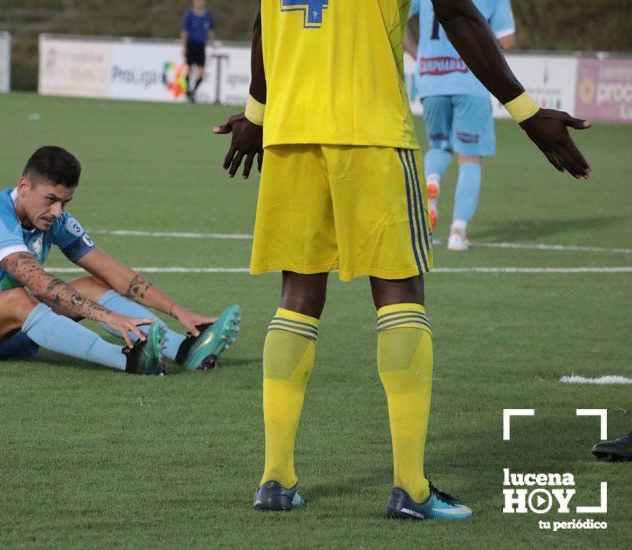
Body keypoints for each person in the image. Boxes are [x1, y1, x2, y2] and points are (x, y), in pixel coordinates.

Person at [214, 0, 589, 519]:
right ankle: (410, 490)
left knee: (298, 295)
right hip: (372, 131)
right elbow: (458, 14)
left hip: (291, 129)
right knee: (398, 291)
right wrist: (526, 111)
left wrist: (257, 113)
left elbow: (264, 24)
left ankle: (275, 481)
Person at [0, 146, 241, 374]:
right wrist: (107, 317)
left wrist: (176, 310)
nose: (57, 211)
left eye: (65, 202)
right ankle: (130, 361)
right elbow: (38, 282)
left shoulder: (52, 218)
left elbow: (111, 271)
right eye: (50, 199)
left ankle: (185, 351)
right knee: (21, 298)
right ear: (24, 186)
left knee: (91, 285)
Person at [404, 0, 516, 251]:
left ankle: (432, 180)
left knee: (438, 146)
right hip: (471, 82)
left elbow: (394, 21)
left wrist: (417, 55)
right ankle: (458, 232)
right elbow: (506, 40)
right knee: (470, 157)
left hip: (430, 80)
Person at [181, 0, 216, 103]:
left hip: (201, 46)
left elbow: (209, 30)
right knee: (189, 69)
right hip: (191, 45)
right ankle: (187, 91)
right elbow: (184, 32)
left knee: (202, 72)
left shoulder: (207, 16)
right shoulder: (189, 16)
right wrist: (184, 47)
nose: (199, 2)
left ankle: (192, 92)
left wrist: (212, 42)